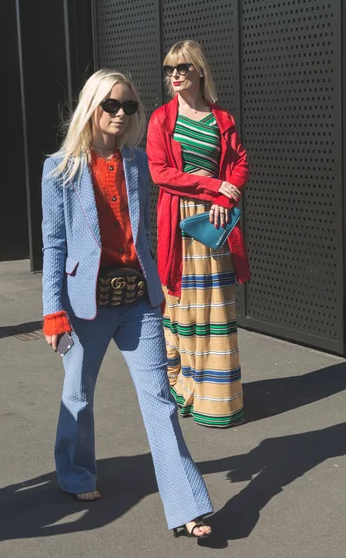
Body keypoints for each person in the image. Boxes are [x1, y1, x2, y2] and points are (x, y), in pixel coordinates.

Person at [41, 68, 213, 538]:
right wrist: (52, 311)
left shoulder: (136, 163)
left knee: (160, 401)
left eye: (129, 107)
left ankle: (186, 505)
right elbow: (54, 245)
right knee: (77, 395)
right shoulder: (60, 169)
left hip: (137, 298)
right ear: (91, 109)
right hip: (84, 306)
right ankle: (75, 473)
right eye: (111, 105)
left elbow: (145, 232)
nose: (120, 114)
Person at [147, 40, 250, 428]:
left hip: (216, 222)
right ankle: (184, 386)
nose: (174, 76)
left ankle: (217, 401)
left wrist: (227, 195)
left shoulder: (222, 118)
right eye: (170, 69)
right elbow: (160, 173)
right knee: (185, 308)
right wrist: (214, 188)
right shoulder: (161, 119)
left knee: (218, 306)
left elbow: (239, 163)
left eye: (182, 68)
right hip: (179, 222)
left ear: (199, 70)